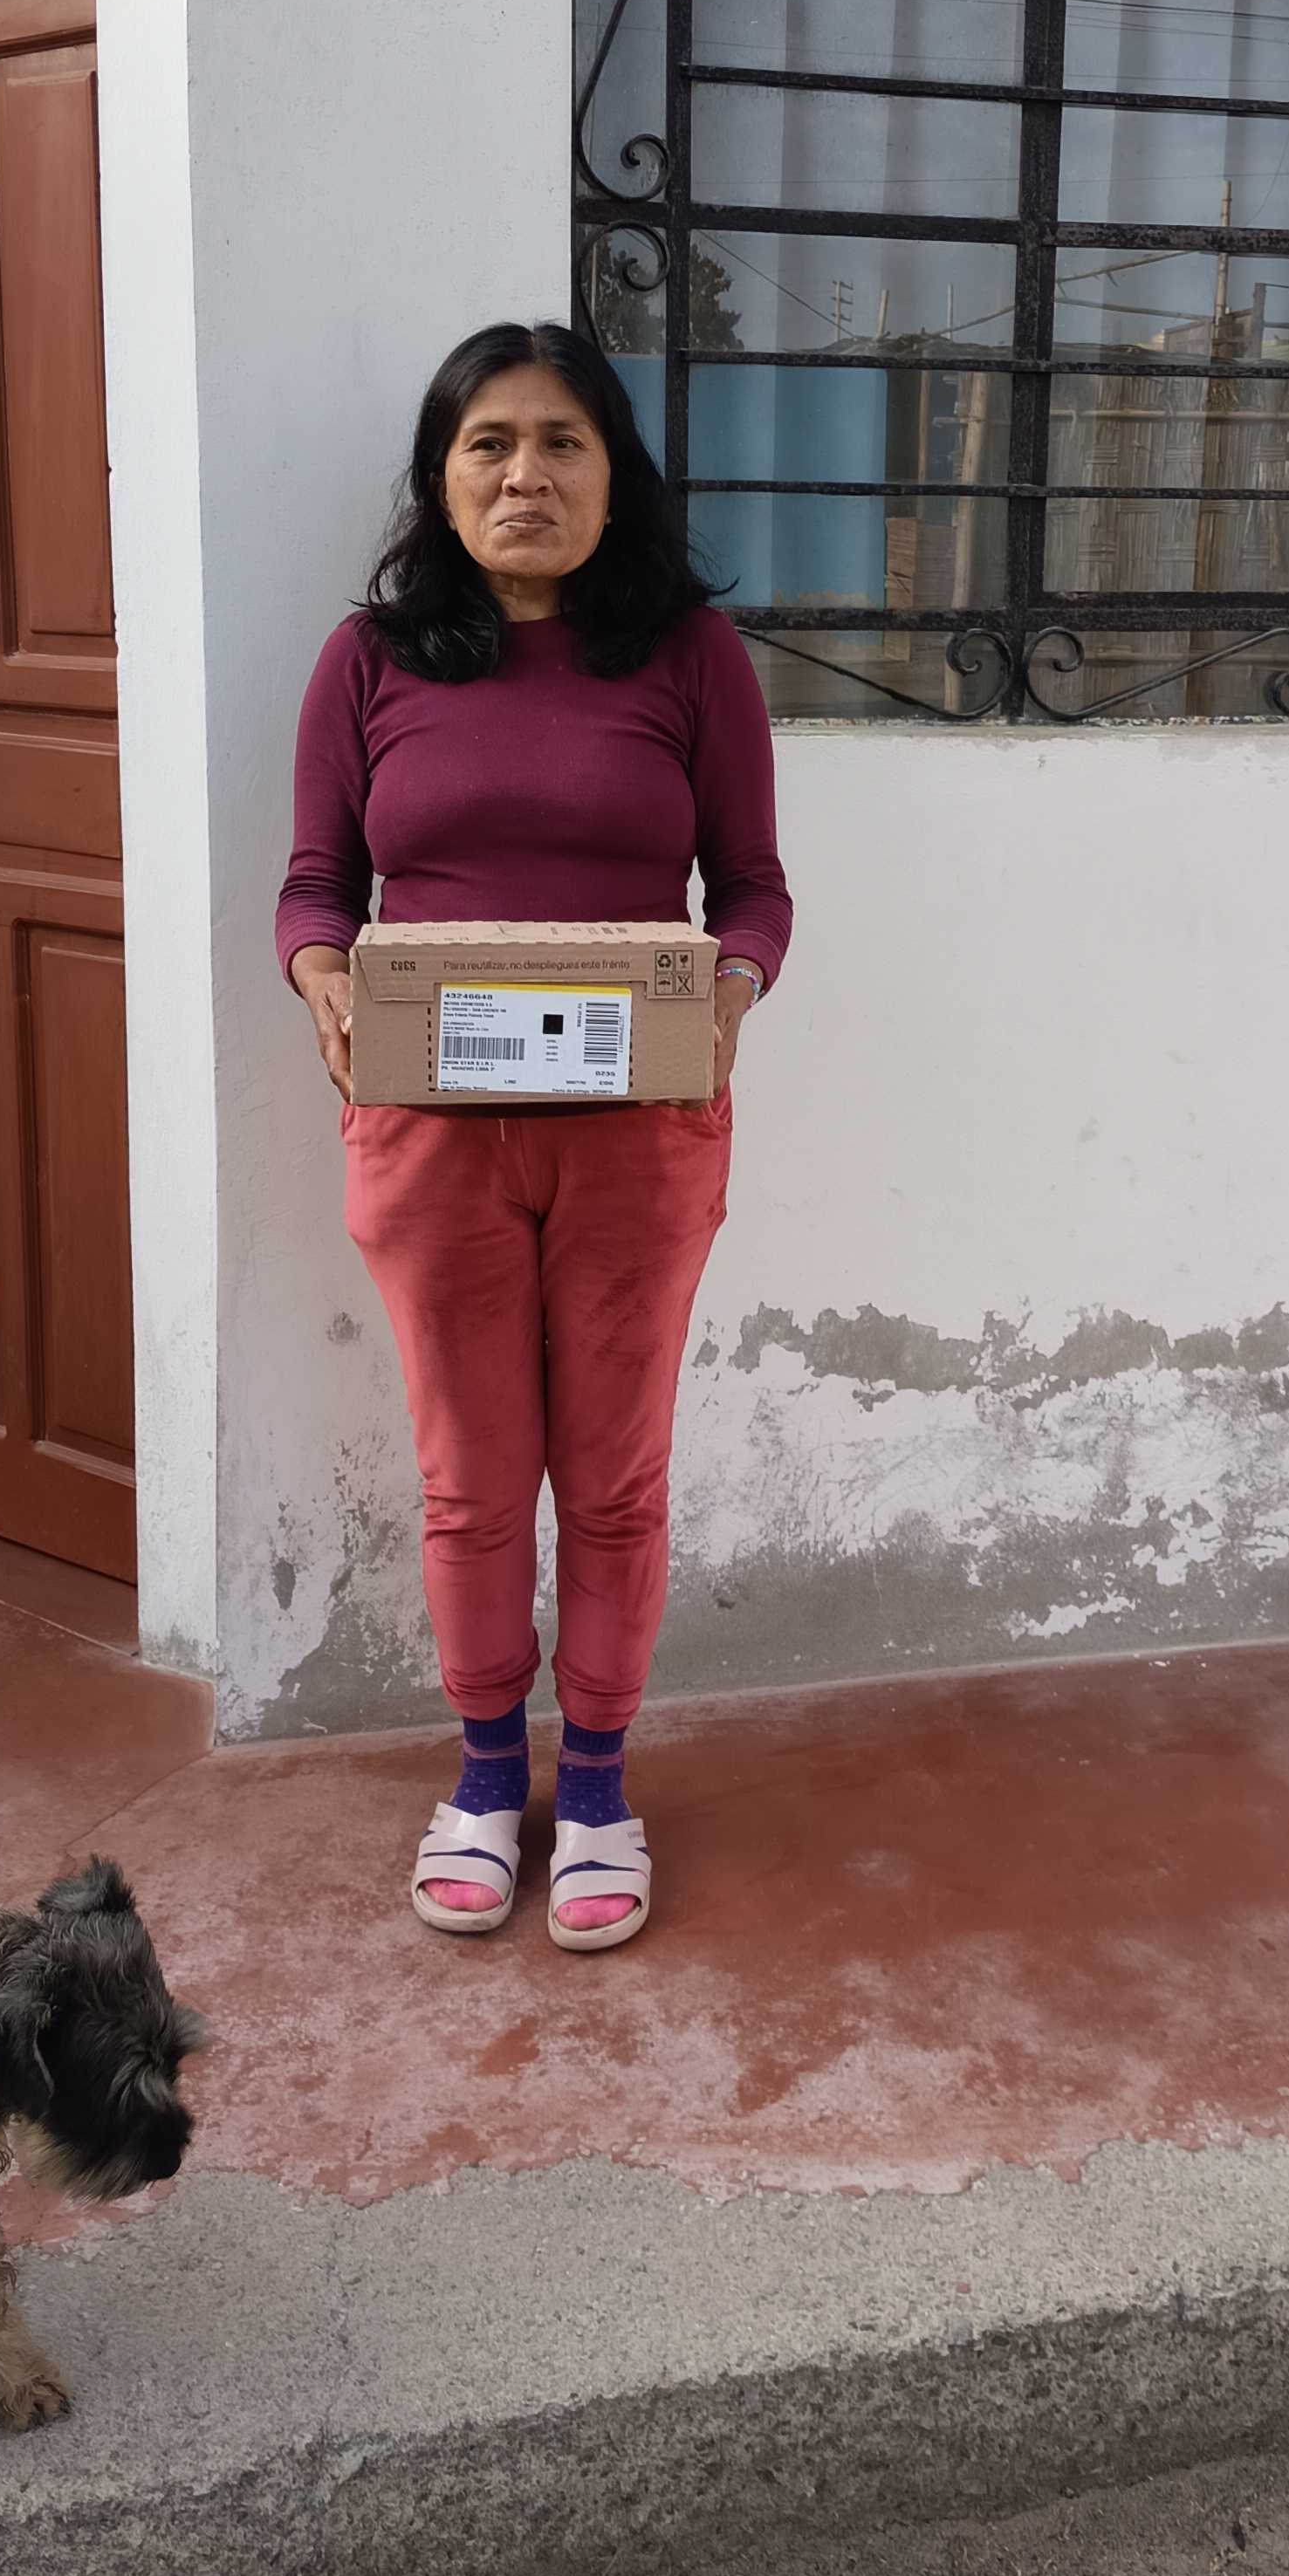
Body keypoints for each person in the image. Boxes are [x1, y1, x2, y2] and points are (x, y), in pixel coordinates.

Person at [276, 321, 792, 1952]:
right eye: (489, 443)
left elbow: (752, 889)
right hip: (432, 1135)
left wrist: (731, 987)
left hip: (640, 1131)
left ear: (613, 473)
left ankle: (604, 1790)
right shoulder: (370, 661)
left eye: (563, 442)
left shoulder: (690, 656)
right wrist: (320, 976)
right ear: (442, 478)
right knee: (473, 1482)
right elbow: (316, 883)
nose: (526, 475)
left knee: (615, 1480)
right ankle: (489, 1775)